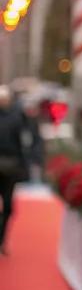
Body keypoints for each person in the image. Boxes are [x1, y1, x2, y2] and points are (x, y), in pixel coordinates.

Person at [0, 85, 32, 253]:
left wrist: (24, 166)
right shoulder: (17, 117)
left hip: (10, 167)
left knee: (7, 205)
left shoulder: (17, 118)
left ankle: (2, 238)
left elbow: (23, 144)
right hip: (9, 165)